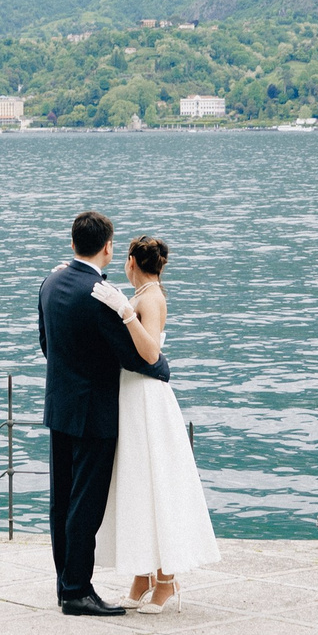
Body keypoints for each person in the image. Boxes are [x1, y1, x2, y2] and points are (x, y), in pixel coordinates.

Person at [36, 209, 171, 617]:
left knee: (61, 503)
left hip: (59, 408)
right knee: (85, 505)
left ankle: (65, 587)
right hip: (94, 414)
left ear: (72, 242)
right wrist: (163, 368)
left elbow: (46, 344)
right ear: (109, 248)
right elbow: (138, 358)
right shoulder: (100, 295)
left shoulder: (50, 282)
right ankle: (78, 591)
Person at [90, 234, 220, 610]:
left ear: (131, 261)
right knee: (137, 483)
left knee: (155, 482)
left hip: (146, 397)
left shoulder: (151, 298)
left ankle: (166, 580)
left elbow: (150, 353)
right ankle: (142, 575)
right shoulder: (142, 295)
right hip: (131, 394)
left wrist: (125, 313)